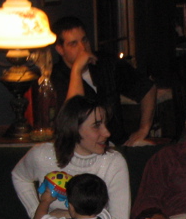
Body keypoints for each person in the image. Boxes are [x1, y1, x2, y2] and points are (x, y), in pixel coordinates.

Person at [12, 96, 130, 219]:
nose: (107, 133)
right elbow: (19, 176)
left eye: (105, 124)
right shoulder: (42, 155)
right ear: (74, 128)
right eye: (96, 126)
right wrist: (37, 214)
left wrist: (61, 215)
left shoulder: (114, 163)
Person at [50, 16, 158, 146]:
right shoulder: (55, 77)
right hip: (82, 148)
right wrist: (76, 70)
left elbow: (147, 88)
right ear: (60, 49)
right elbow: (72, 118)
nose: (83, 48)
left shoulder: (106, 63)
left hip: (117, 143)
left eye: (84, 40)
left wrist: (143, 129)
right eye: (74, 44)